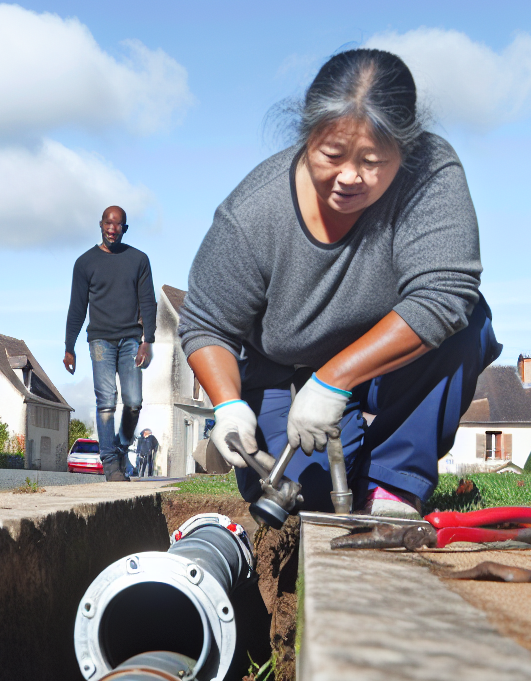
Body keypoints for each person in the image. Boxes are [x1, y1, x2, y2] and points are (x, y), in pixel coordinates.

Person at [178, 49, 502, 518]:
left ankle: (394, 483)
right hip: (282, 370)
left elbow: (445, 294)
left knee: (468, 320)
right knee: (310, 496)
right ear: (307, 134)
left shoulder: (430, 174)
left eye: (372, 161)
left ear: (405, 152)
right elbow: (207, 324)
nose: (349, 177)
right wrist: (228, 405)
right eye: (332, 154)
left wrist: (334, 380)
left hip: (381, 361)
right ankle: (347, 467)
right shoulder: (252, 214)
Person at [65, 206, 156, 482]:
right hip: (100, 340)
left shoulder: (138, 259)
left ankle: (121, 447)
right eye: (108, 223)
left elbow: (148, 302)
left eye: (118, 225)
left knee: (134, 402)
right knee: (106, 402)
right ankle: (110, 464)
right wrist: (69, 347)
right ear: (101, 224)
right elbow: (77, 308)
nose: (112, 229)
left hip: (131, 339)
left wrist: (147, 340)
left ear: (124, 228)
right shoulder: (85, 263)